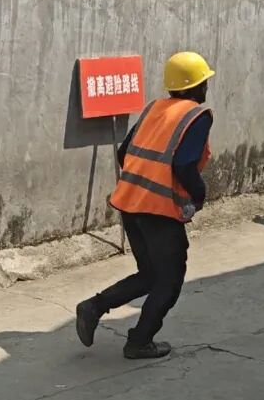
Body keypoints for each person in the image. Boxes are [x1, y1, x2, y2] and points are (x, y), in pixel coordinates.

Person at [74, 52, 215, 360]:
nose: (207, 87)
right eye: (204, 81)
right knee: (170, 280)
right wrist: (198, 195)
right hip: (159, 210)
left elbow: (124, 152)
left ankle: (94, 307)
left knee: (151, 274)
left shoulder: (155, 108)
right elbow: (184, 164)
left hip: (130, 203)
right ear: (195, 86)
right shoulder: (196, 116)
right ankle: (139, 341)